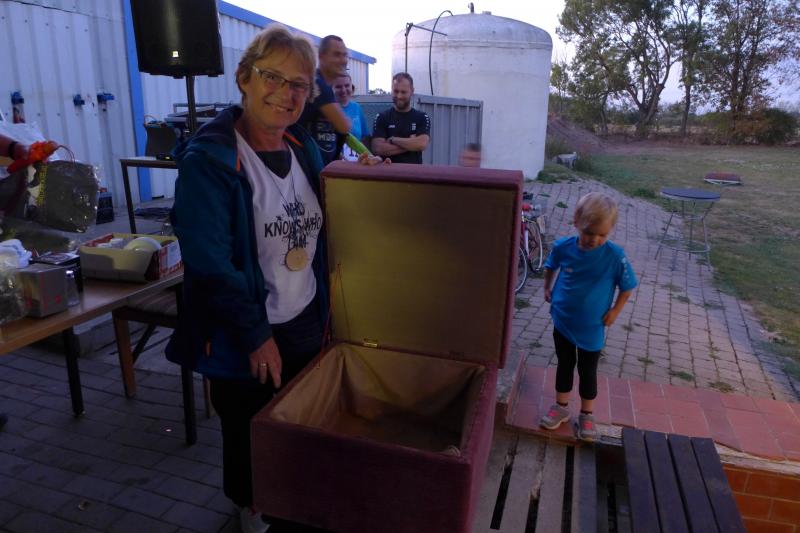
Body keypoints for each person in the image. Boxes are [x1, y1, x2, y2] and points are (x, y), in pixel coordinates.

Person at [166, 25, 380, 533]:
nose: (286, 93)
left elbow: (326, 216)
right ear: (244, 78)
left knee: (298, 425)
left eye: (299, 84)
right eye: (273, 78)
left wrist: (362, 179)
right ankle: (249, 506)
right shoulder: (210, 161)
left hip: (304, 317)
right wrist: (256, 335)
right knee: (247, 429)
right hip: (247, 331)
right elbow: (210, 264)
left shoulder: (302, 147)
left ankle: (292, 496)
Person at [538, 192, 637, 442]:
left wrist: (615, 311)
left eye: (602, 235)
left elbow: (627, 287)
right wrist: (547, 287)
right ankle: (561, 406)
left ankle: (587, 414)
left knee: (587, 370)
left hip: (593, 327)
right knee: (564, 363)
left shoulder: (614, 256)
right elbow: (550, 265)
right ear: (576, 221)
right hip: (563, 320)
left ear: (610, 230)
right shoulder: (563, 247)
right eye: (589, 233)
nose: (594, 239)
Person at [298, 34, 352, 165]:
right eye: (337, 55)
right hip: (307, 167)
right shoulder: (317, 83)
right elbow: (344, 126)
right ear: (321, 56)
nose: (343, 60)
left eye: (345, 55)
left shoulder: (327, 88)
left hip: (322, 166)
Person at [371, 72, 430, 164]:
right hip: (388, 172)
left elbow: (422, 144)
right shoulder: (382, 117)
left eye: (403, 92)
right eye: (396, 91)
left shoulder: (421, 117)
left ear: (412, 91)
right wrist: (411, 143)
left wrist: (393, 140)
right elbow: (377, 148)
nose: (399, 96)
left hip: (413, 172)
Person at [332, 73, 369, 161]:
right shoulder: (329, 109)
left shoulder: (357, 108)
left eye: (347, 85)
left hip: (358, 162)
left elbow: (365, 137)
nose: (343, 90)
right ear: (331, 88)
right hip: (336, 162)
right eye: (338, 87)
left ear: (351, 87)